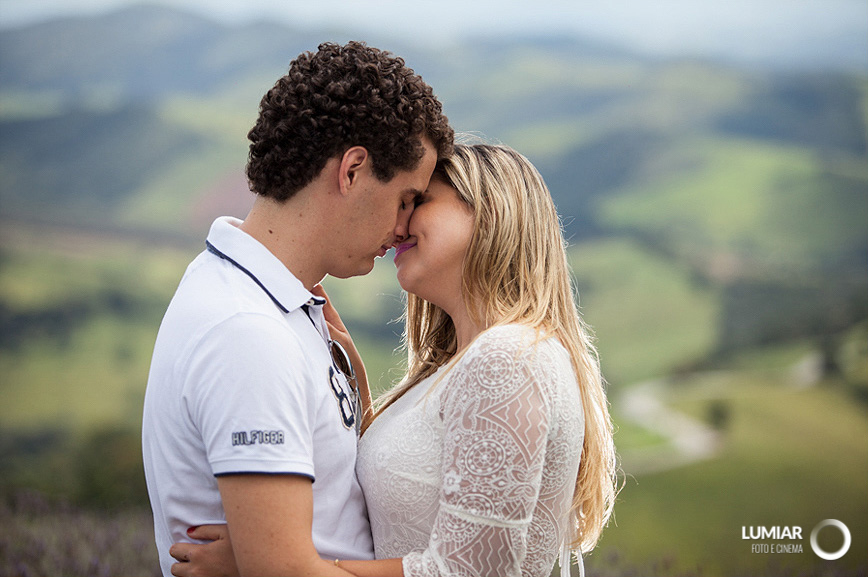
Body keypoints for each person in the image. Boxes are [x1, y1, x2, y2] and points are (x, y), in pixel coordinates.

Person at [169, 143, 619, 577]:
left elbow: (465, 574)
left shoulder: (507, 359)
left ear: (489, 214)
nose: (399, 226)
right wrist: (357, 388)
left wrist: (267, 565)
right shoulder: (472, 362)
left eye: (418, 202)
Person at [141, 40, 453, 577]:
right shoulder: (247, 332)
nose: (404, 227)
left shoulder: (272, 302)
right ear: (352, 170)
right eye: (405, 198)